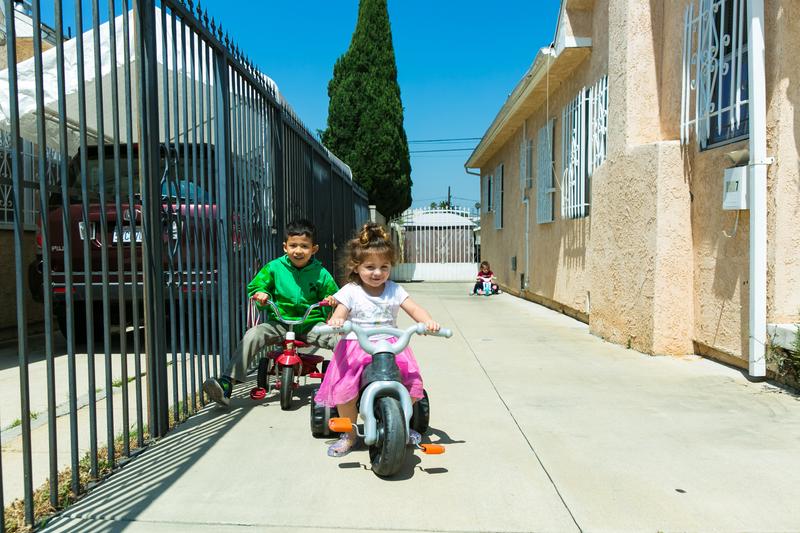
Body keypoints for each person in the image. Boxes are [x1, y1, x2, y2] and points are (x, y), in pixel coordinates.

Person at [315, 222, 441, 457]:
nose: (377, 273)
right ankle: (350, 435)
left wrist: (428, 322)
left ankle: (401, 425)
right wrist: (336, 321)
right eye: (370, 267)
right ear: (357, 266)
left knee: (412, 386)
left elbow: (415, 309)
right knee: (345, 391)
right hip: (356, 346)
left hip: (391, 347)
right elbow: (340, 313)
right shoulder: (351, 291)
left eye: (384, 267)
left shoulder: (394, 290)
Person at [203, 219, 338, 406]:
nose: (298, 251)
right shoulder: (274, 268)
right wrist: (261, 293)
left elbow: (335, 294)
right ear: (285, 247)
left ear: (313, 249)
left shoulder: (321, 273)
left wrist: (332, 299)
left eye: (304, 246)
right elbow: (257, 285)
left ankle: (350, 381)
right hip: (280, 323)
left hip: (310, 323)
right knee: (253, 334)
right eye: (293, 245)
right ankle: (227, 382)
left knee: (337, 340)